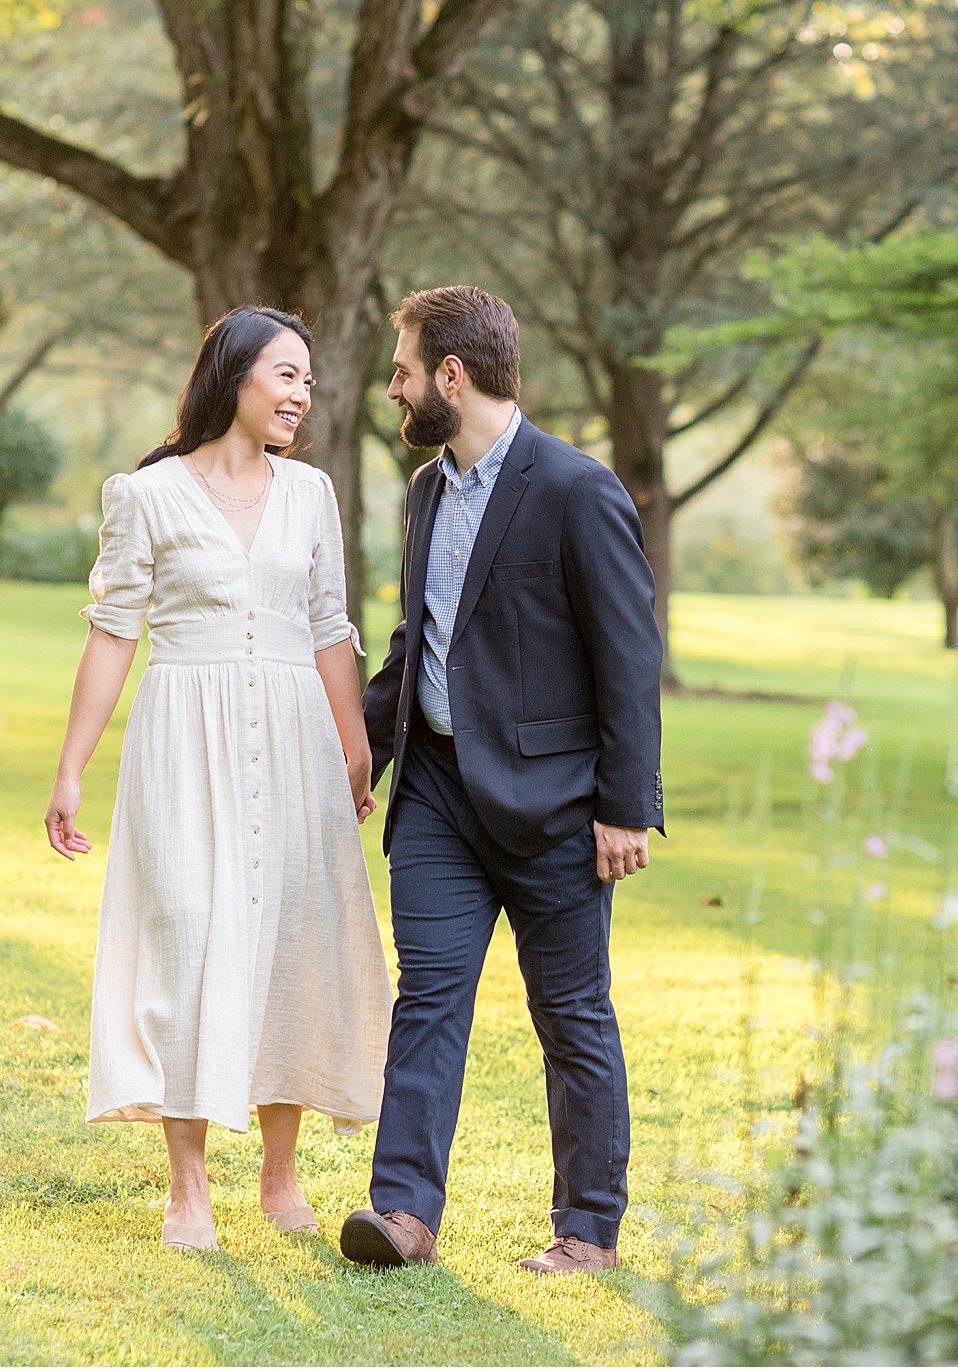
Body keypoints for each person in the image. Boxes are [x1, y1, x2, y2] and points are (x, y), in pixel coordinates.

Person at [44, 305, 392, 1254]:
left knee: (289, 936)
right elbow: (115, 630)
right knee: (191, 932)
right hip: (181, 734)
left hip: (295, 739)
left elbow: (329, 626)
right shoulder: (146, 493)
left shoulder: (312, 492)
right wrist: (72, 766)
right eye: (286, 376)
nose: (301, 396)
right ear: (235, 376)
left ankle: (280, 1178)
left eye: (308, 382)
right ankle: (187, 1185)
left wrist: (354, 747)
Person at [338, 286, 664, 1275]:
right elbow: (417, 641)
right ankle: (401, 1212)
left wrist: (623, 806)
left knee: (569, 1017)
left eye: (401, 368)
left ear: (451, 374)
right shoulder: (425, 489)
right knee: (427, 996)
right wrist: (358, 750)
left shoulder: (574, 488)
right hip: (437, 796)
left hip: (558, 809)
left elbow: (627, 657)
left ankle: (588, 1230)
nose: (389, 385)